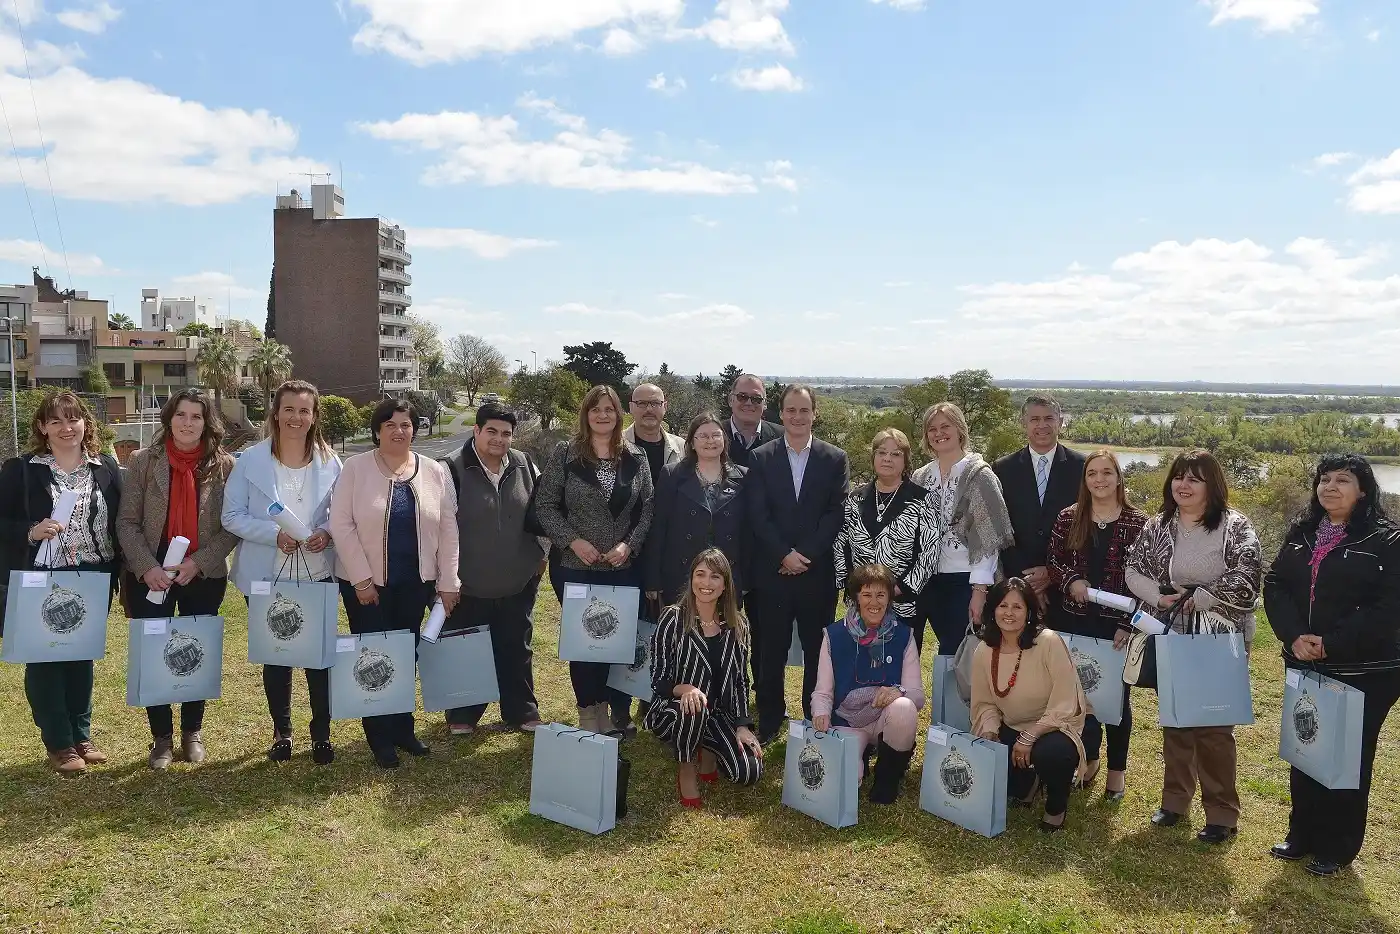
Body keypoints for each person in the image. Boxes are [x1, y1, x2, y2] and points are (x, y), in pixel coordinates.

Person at [1263, 453, 1400, 877]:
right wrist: (1293, 636)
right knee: (1306, 744)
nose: (1330, 487)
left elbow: (1388, 605)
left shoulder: (1387, 540)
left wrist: (1332, 644)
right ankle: (1301, 834)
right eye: (1324, 479)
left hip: (1365, 668)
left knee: (1348, 755)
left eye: (1343, 480)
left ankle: (1338, 846)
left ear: (1363, 490)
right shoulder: (1302, 532)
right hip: (1304, 661)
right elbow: (1277, 584)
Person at [1127, 449, 1262, 844]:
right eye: (1178, 477)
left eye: (1194, 479)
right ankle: (1175, 802)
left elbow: (1248, 577)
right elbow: (1134, 569)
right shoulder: (1159, 525)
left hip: (1218, 637)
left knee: (1215, 727)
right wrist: (1159, 595)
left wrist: (1199, 595)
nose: (1183, 485)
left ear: (1211, 486)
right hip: (1173, 632)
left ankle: (1221, 813)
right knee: (1176, 719)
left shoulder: (1235, 526)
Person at [330, 398, 460, 769]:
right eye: (390, 425)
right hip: (366, 588)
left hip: (415, 583)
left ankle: (403, 728)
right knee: (374, 659)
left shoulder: (435, 471)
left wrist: (449, 581)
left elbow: (449, 527)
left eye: (406, 424)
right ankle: (378, 735)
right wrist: (361, 579)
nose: (399, 431)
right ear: (376, 431)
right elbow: (341, 524)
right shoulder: (355, 468)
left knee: (406, 657)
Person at [0, 391, 121, 775]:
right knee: (46, 659)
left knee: (80, 657)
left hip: (94, 575)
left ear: (86, 423)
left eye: (73, 419)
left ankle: (81, 735)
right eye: (56, 421)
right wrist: (31, 531)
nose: (67, 428)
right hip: (43, 578)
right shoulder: (20, 470)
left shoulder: (107, 469)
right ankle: (59, 741)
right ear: (42, 428)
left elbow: (120, 524)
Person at [223, 379, 342, 765]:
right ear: (276, 412)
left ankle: (322, 733)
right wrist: (273, 535)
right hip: (266, 573)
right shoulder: (250, 460)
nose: (296, 417)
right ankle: (282, 732)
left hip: (317, 571)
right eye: (288, 409)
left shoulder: (331, 461)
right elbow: (231, 516)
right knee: (278, 654)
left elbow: (341, 516)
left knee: (319, 657)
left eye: (304, 410)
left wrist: (325, 533)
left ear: (314, 416)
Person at [118, 389, 238, 770]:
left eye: (197, 416)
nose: (188, 423)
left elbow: (230, 528)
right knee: (154, 653)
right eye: (182, 414)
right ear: (169, 418)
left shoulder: (224, 466)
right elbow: (127, 522)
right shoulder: (142, 461)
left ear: (207, 422)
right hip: (151, 574)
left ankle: (192, 732)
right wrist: (146, 567)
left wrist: (198, 563)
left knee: (193, 650)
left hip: (201, 574)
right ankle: (161, 739)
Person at [534, 385, 654, 735]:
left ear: (619, 415)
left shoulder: (636, 456)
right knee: (586, 641)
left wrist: (629, 546)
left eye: (610, 409)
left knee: (614, 640)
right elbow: (545, 505)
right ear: (586, 414)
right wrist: (572, 540)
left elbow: (648, 507)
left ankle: (606, 708)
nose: (603, 415)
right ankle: (588, 711)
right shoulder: (565, 453)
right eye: (595, 409)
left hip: (620, 567)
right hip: (575, 566)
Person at [746, 384, 849, 744]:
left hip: (815, 574)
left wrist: (804, 556)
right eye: (791, 410)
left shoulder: (834, 458)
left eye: (804, 410)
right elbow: (758, 515)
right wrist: (783, 555)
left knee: (816, 650)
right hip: (772, 573)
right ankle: (771, 718)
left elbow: (835, 513)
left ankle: (812, 716)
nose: (797, 417)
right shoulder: (761, 457)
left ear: (814, 413)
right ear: (781, 413)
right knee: (769, 650)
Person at [1046, 450, 1149, 800]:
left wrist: (1127, 624)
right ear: (1085, 480)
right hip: (1072, 623)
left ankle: (1116, 773)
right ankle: (1088, 760)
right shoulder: (1068, 518)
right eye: (1092, 473)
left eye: (1107, 472)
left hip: (1118, 630)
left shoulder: (1140, 523)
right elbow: (1054, 562)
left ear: (1119, 478)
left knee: (1116, 701)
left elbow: (1149, 578)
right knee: (1079, 695)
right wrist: (1071, 579)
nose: (1100, 479)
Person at [440, 402, 546, 735]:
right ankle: (463, 714)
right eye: (492, 432)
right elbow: (438, 528)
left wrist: (541, 559)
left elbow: (544, 511)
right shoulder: (451, 469)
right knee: (467, 647)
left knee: (516, 646)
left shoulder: (524, 464)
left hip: (517, 580)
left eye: (506, 433)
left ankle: (521, 710)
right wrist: (446, 579)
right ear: (476, 431)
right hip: (468, 583)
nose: (499, 440)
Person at [646, 548, 763, 807]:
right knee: (695, 704)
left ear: (725, 585)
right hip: (673, 711)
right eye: (700, 575)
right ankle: (687, 767)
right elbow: (658, 679)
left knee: (749, 772)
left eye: (715, 577)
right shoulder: (673, 618)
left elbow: (741, 680)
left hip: (719, 713)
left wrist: (743, 725)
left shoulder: (737, 625)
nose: (706, 583)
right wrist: (685, 688)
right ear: (691, 579)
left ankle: (709, 748)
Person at [970, 577, 1088, 832]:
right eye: (1003, 606)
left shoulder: (1048, 642)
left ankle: (1056, 806)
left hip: (1057, 727)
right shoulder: (983, 651)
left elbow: (1066, 701)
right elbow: (984, 704)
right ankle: (1029, 781)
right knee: (1006, 782)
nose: (1009, 613)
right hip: (1013, 726)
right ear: (993, 610)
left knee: (1052, 755)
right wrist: (990, 733)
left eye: (1017, 607)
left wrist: (1030, 737)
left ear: (1029, 612)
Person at [812, 563, 925, 804]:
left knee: (904, 708)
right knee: (845, 783)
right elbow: (823, 690)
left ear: (889, 599)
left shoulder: (905, 635)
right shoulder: (833, 635)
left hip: (885, 719)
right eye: (867, 594)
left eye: (881, 594)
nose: (874, 602)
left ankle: (887, 778)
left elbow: (917, 695)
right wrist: (820, 713)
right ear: (856, 597)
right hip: (847, 721)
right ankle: (858, 758)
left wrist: (898, 691)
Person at [909, 403, 1014, 655]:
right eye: (932, 429)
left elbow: (988, 538)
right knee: (910, 651)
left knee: (956, 652)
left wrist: (979, 590)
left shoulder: (979, 474)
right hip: (926, 579)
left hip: (964, 580)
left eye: (945, 426)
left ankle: (958, 697)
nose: (938, 433)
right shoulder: (921, 477)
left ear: (960, 430)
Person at [613, 381, 685, 736]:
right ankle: (620, 706)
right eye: (641, 403)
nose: (648, 410)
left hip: (670, 554)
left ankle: (656, 696)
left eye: (654, 403)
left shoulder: (682, 449)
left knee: (664, 629)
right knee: (627, 628)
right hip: (624, 552)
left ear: (665, 406)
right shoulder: (615, 445)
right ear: (630, 407)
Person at [834, 428, 940, 624]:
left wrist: (897, 589)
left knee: (903, 655)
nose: (887, 459)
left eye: (896, 454)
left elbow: (929, 553)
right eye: (881, 453)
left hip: (903, 605)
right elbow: (841, 543)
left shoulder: (922, 500)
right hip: (860, 603)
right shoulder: (855, 499)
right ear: (873, 457)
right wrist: (853, 586)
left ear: (906, 460)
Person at [994, 395, 1087, 615]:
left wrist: (1052, 572)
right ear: (1023, 423)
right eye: (1035, 419)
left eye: (1049, 418)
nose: (1042, 425)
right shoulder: (1002, 469)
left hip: (1068, 586)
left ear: (1060, 422)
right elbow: (1001, 529)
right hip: (1016, 586)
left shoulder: (1083, 467)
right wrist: (1028, 582)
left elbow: (1086, 526)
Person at [646, 413, 748, 605]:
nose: (711, 441)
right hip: (681, 577)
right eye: (703, 436)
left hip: (725, 577)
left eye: (716, 435)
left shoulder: (743, 476)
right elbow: (658, 528)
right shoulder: (672, 474)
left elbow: (749, 533)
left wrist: (746, 580)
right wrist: (653, 580)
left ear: (724, 440)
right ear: (692, 442)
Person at [723, 373, 782, 469]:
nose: (749, 403)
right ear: (730, 400)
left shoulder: (783, 438)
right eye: (742, 397)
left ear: (765, 403)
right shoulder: (712, 437)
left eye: (756, 399)